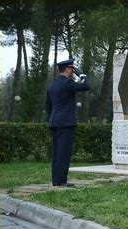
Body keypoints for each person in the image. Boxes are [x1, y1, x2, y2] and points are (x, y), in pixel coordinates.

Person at [45, 58, 90, 186]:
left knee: (56, 153)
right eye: (72, 69)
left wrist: (52, 118)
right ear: (68, 69)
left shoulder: (52, 84)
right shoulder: (67, 83)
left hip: (54, 122)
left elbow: (48, 105)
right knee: (64, 153)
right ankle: (61, 181)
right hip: (66, 123)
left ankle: (56, 181)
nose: (72, 71)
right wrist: (81, 75)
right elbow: (86, 86)